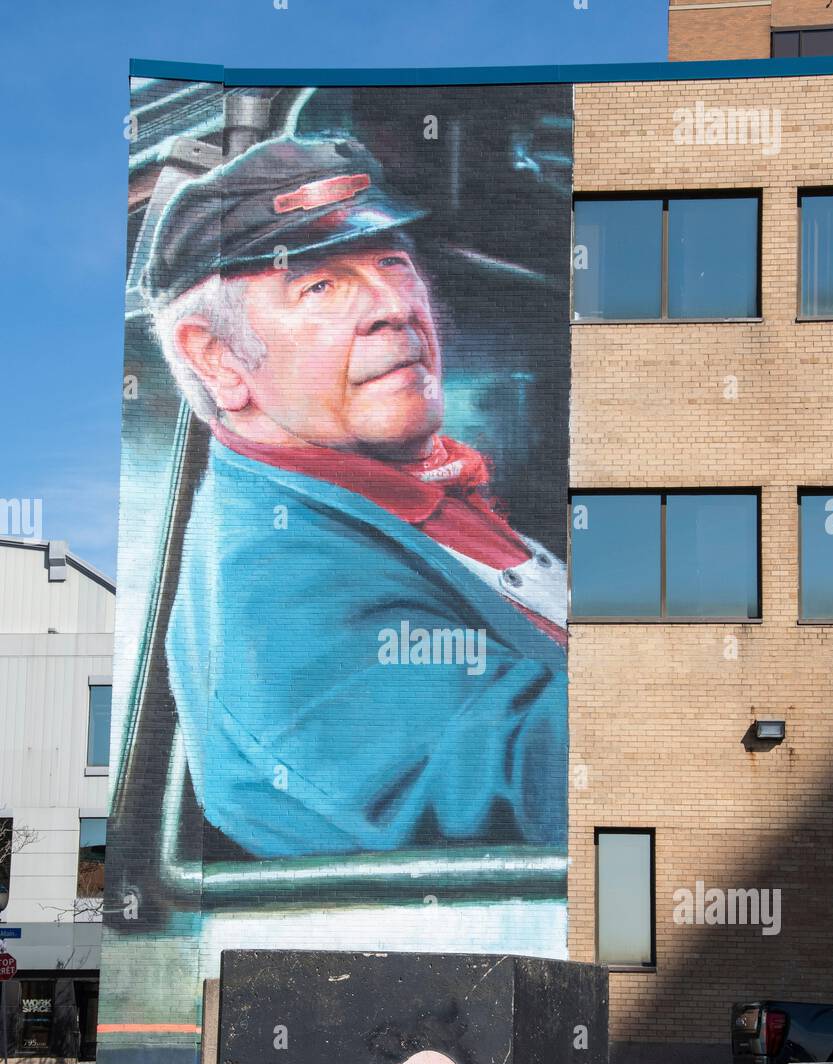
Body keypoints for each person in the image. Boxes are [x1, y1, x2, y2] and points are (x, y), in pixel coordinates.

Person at [143, 134, 567, 859]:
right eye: (319, 285)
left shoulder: (405, 495)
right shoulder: (276, 581)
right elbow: (539, 783)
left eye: (391, 263)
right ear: (217, 359)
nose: (392, 306)